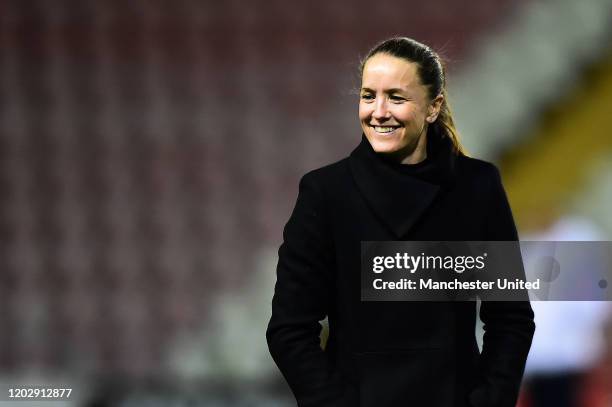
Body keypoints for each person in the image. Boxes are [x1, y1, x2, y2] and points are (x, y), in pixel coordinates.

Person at [266, 37, 535, 407]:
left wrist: (486, 401)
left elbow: (510, 317)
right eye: (367, 95)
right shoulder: (326, 193)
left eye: (396, 97)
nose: (378, 111)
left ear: (432, 107)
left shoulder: (478, 186)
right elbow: (289, 328)